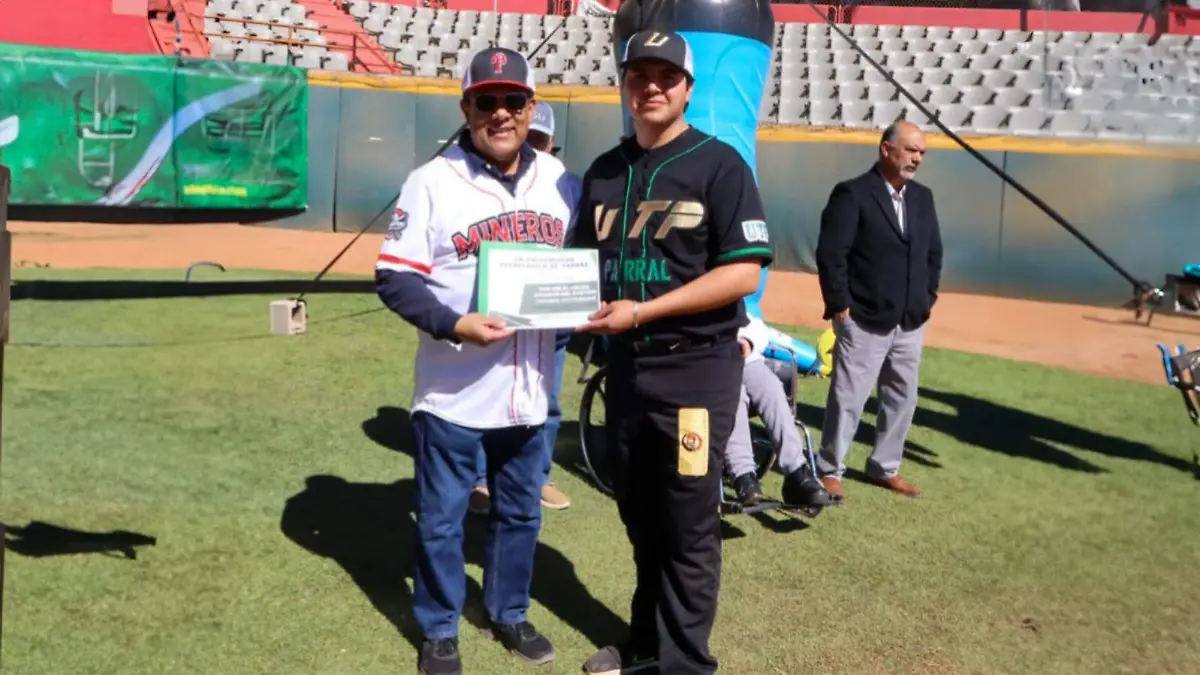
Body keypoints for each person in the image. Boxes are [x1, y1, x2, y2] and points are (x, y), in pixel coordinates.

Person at [570, 30, 773, 675]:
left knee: (687, 523)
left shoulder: (720, 164)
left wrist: (642, 311)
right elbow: (577, 268)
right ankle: (645, 640)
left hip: (695, 370)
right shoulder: (605, 171)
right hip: (628, 370)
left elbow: (742, 272)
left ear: (688, 88)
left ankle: (685, 663)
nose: (651, 86)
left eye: (665, 76)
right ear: (624, 85)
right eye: (639, 75)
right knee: (638, 512)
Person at [374, 47, 580, 675]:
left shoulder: (560, 182)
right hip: (454, 392)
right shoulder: (431, 181)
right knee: (441, 521)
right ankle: (439, 628)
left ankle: (508, 612)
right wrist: (454, 323)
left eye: (513, 100)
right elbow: (394, 277)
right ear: (466, 108)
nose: (501, 113)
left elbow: (581, 272)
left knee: (520, 513)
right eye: (486, 100)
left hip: (530, 391)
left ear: (531, 108)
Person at [814, 120, 943, 501]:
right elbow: (831, 254)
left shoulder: (923, 198)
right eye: (911, 150)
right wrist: (839, 305)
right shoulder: (852, 193)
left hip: (910, 320)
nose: (917, 158)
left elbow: (933, 253)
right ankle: (829, 468)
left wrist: (926, 298)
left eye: (921, 152)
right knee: (849, 398)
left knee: (902, 398)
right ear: (886, 149)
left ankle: (884, 466)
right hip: (864, 318)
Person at [468, 100, 578, 514]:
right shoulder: (483, 181)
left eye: (539, 140)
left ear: (551, 142)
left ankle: (539, 476)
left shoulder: (566, 184)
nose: (531, 146)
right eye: (527, 138)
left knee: (546, 401)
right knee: (487, 395)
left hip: (549, 315)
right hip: (497, 310)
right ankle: (482, 480)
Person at [724, 315, 839, 509]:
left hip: (746, 360)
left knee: (771, 387)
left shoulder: (730, 301)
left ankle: (796, 473)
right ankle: (744, 476)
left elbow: (756, 327)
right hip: (710, 364)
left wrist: (748, 341)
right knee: (734, 392)